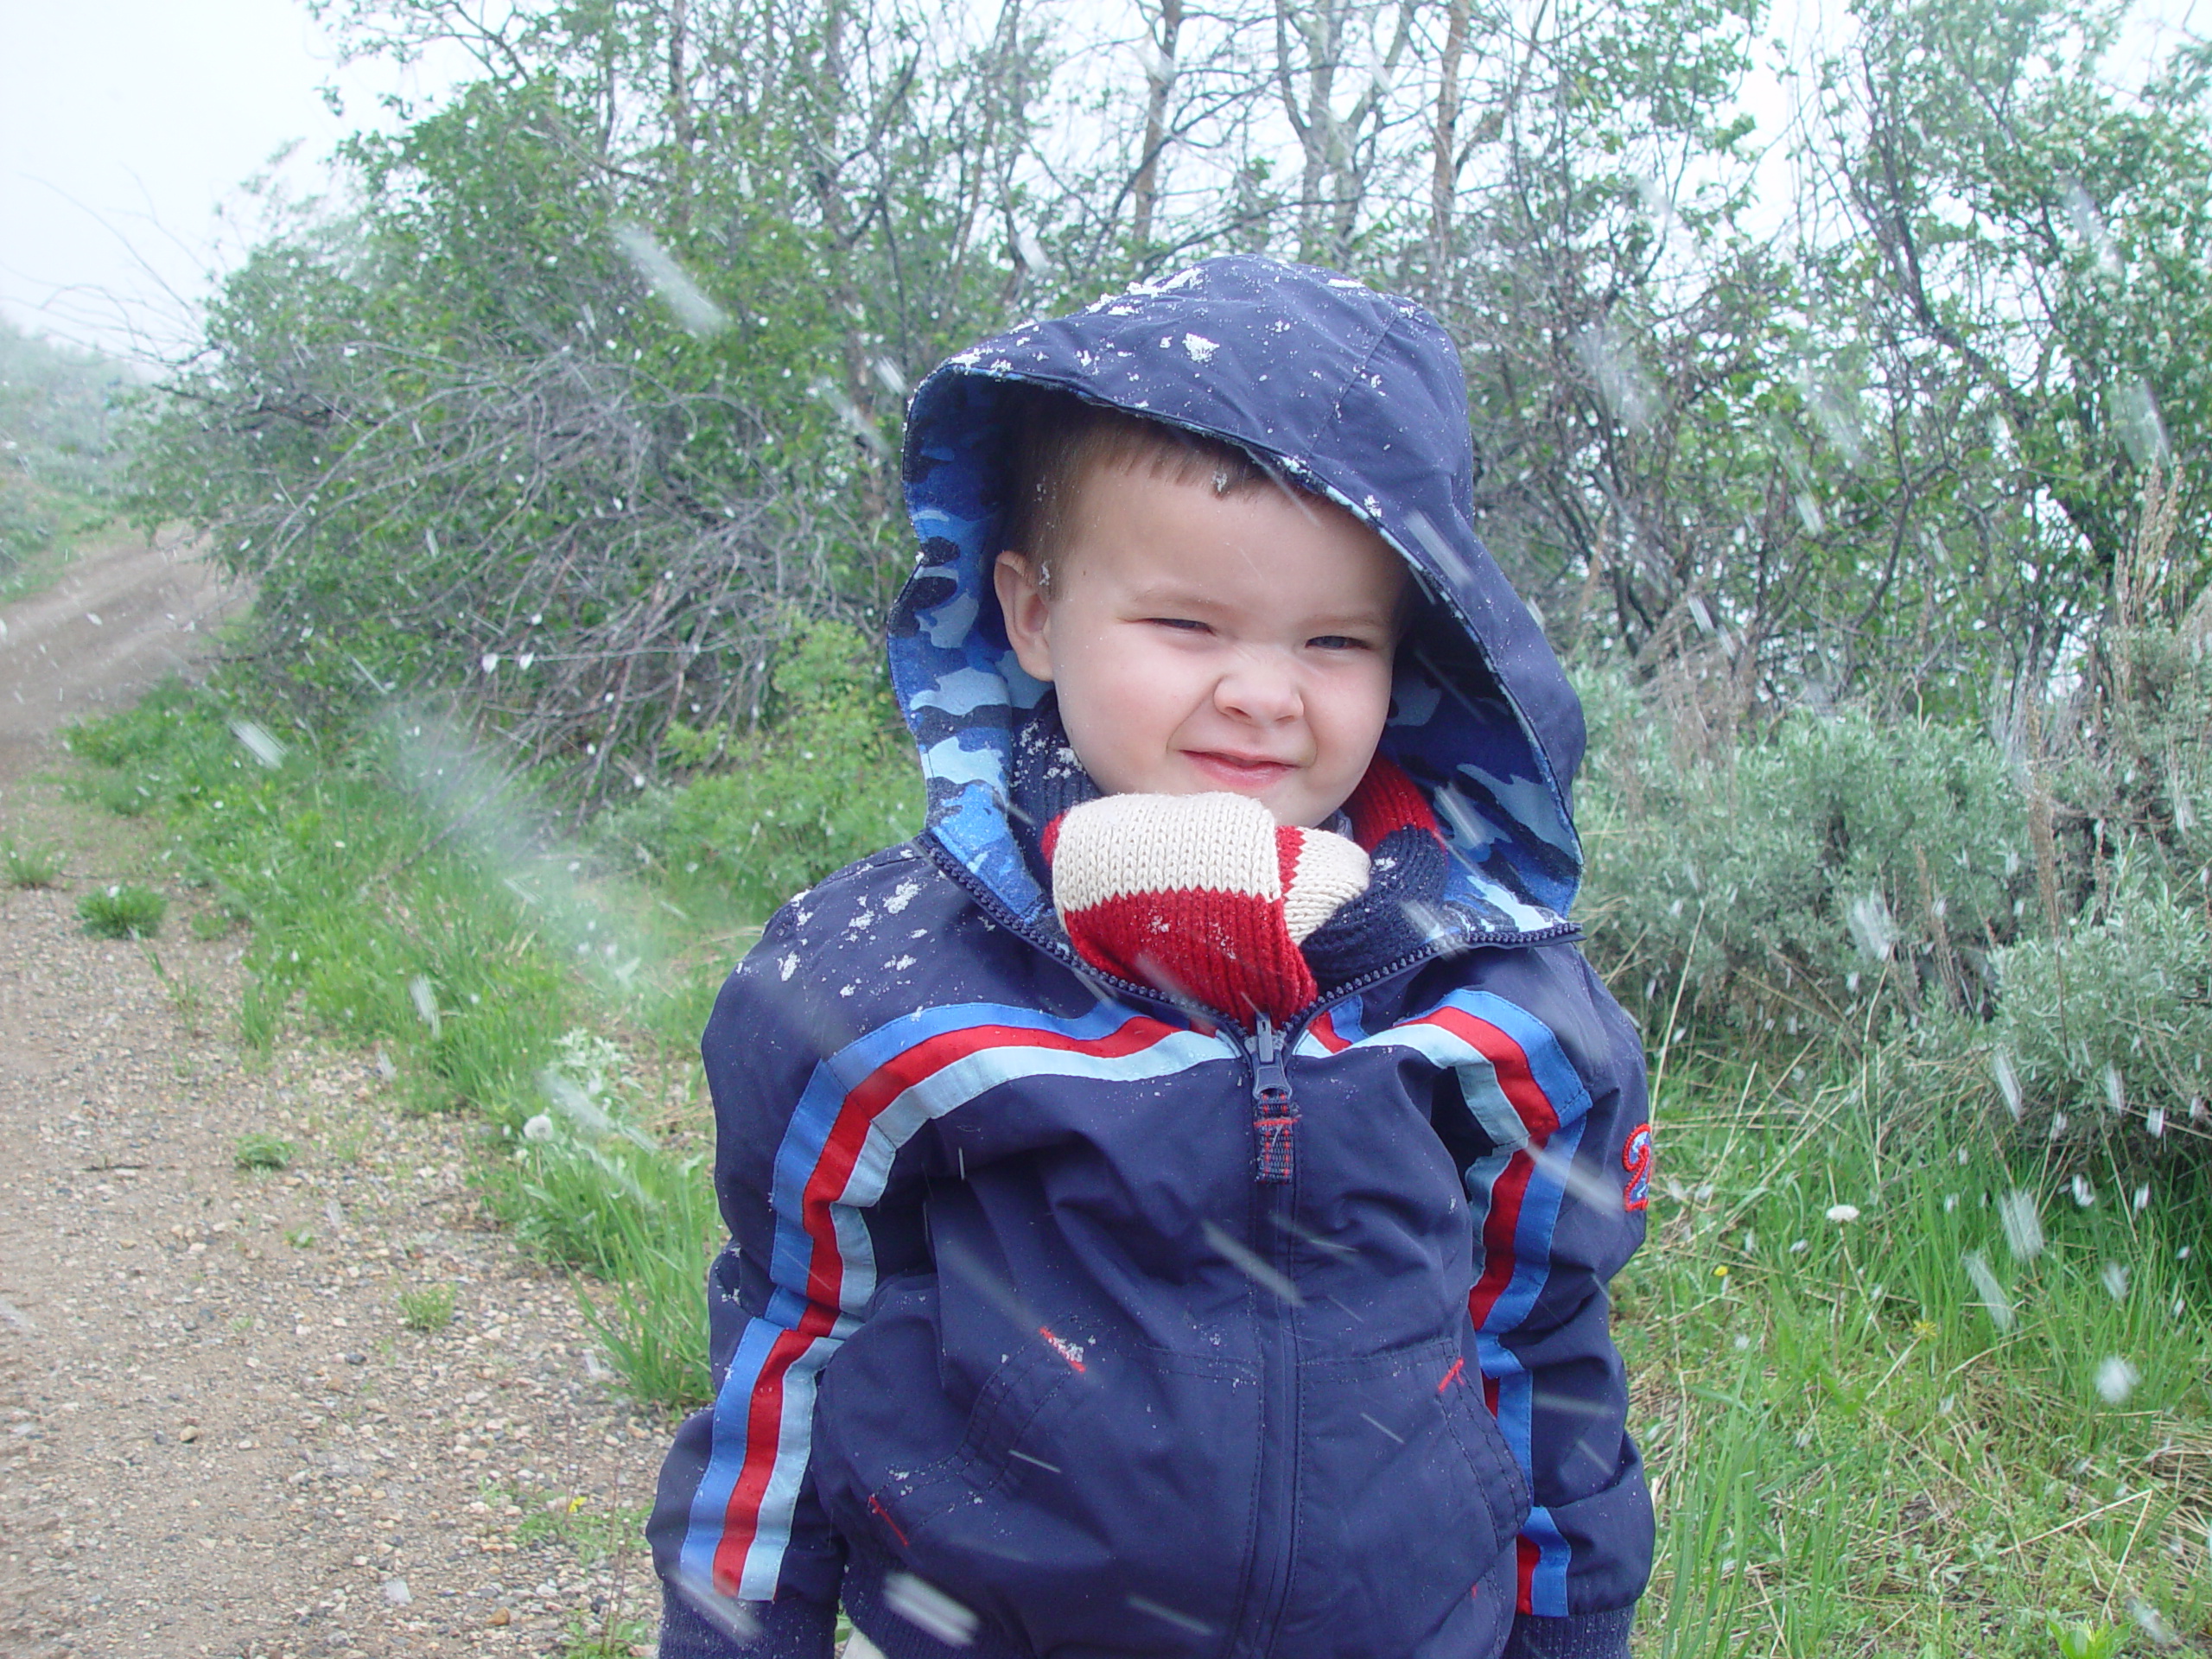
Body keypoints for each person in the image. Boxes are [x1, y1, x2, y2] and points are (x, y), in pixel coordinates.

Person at [648, 255, 1654, 1659]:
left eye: (1333, 639)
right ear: (1034, 612)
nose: (1259, 689)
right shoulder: (884, 993)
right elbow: (794, 1348)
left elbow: (1546, 1353)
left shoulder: (1495, 1003)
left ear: (1413, 658)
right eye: (1185, 623)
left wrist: (1569, 1634)